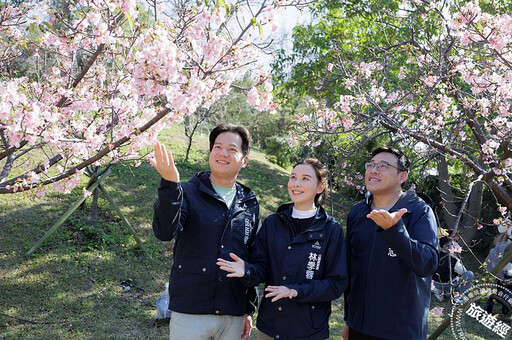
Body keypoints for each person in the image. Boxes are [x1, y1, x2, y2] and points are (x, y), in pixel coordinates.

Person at [217, 158, 347, 340]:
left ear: (320, 187)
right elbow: (261, 268)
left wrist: (295, 291)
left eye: (305, 178)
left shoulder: (331, 229)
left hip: (309, 331)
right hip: (270, 327)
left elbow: (336, 284)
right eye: (293, 177)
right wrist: (247, 270)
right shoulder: (273, 222)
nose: (296, 183)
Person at [151, 124, 260, 340]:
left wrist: (248, 308)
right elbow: (164, 232)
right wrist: (170, 185)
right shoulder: (187, 192)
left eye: (232, 149)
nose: (223, 153)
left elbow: (252, 255)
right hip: (191, 311)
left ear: (244, 160)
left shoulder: (249, 202)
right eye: (217, 147)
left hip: (233, 313)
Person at [343, 146, 439, 340]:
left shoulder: (419, 211)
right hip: (359, 325)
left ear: (402, 176)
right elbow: (351, 269)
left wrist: (394, 230)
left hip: (399, 330)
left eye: (383, 166)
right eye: (371, 165)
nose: (374, 170)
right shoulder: (358, 212)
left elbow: (427, 263)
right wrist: (349, 319)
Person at [432, 236, 474, 302]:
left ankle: (439, 291)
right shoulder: (452, 259)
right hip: (448, 284)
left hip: (434, 283)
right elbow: (463, 271)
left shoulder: (435, 254)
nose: (453, 245)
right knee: (469, 274)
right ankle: (458, 295)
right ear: (446, 247)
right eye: (452, 244)